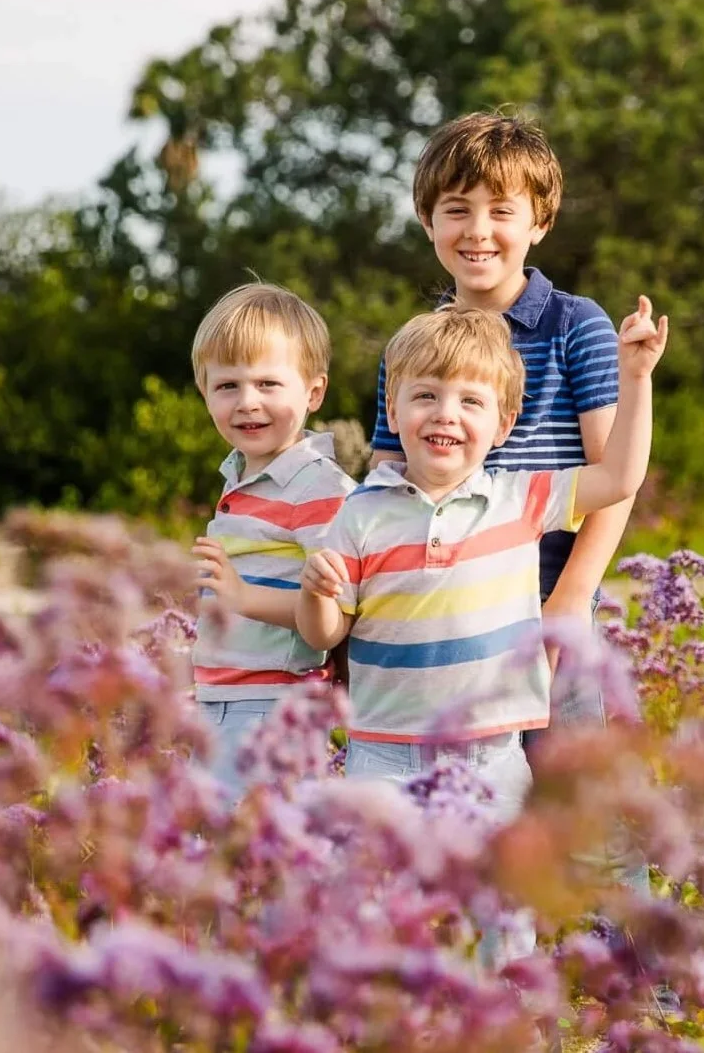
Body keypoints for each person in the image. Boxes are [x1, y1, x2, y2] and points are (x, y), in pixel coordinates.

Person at [296, 299, 668, 962]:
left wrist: (635, 377)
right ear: (396, 409)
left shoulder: (518, 498)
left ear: (502, 424)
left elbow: (618, 478)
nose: (445, 414)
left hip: (490, 758)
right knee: (382, 917)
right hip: (384, 756)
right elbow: (325, 633)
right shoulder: (361, 513)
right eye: (426, 395)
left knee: (501, 922)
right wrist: (319, 593)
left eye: (470, 401)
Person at [367, 112, 631, 744]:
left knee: (569, 793)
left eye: (502, 212)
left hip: (547, 592)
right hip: (442, 595)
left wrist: (569, 602)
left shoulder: (577, 325)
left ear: (539, 223)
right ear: (428, 221)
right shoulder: (412, 347)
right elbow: (386, 476)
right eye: (456, 210)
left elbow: (613, 480)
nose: (478, 231)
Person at [187, 282, 356, 794]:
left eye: (267, 384)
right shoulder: (240, 475)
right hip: (227, 697)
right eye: (227, 386)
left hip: (273, 702)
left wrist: (242, 596)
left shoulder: (318, 486)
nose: (247, 403)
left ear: (313, 392)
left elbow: (339, 608)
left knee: (252, 850)